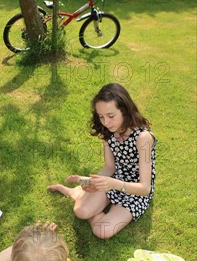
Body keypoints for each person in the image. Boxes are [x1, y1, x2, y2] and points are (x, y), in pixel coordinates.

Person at [47, 83, 157, 239]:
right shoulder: (109, 132)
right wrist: (90, 182)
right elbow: (109, 167)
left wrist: (112, 184)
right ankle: (77, 192)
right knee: (81, 212)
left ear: (124, 110)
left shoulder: (143, 138)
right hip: (113, 181)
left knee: (102, 231)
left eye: (111, 116)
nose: (105, 122)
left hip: (135, 191)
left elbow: (145, 188)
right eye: (101, 117)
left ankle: (79, 195)